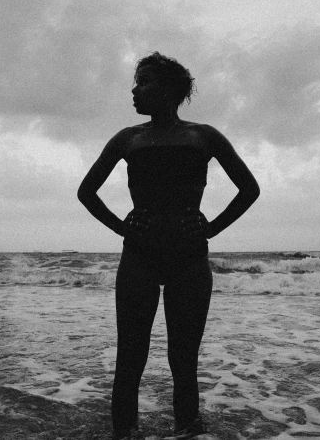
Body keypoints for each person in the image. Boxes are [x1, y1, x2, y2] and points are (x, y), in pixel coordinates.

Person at [77, 52, 260, 439]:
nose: (135, 89)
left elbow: (249, 189)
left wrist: (210, 229)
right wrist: (121, 227)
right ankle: (124, 433)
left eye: (143, 81)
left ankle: (188, 430)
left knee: (183, 360)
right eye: (136, 81)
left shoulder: (203, 136)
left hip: (189, 259)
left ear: (170, 90)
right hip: (139, 257)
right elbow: (86, 192)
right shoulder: (129, 138)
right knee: (129, 358)